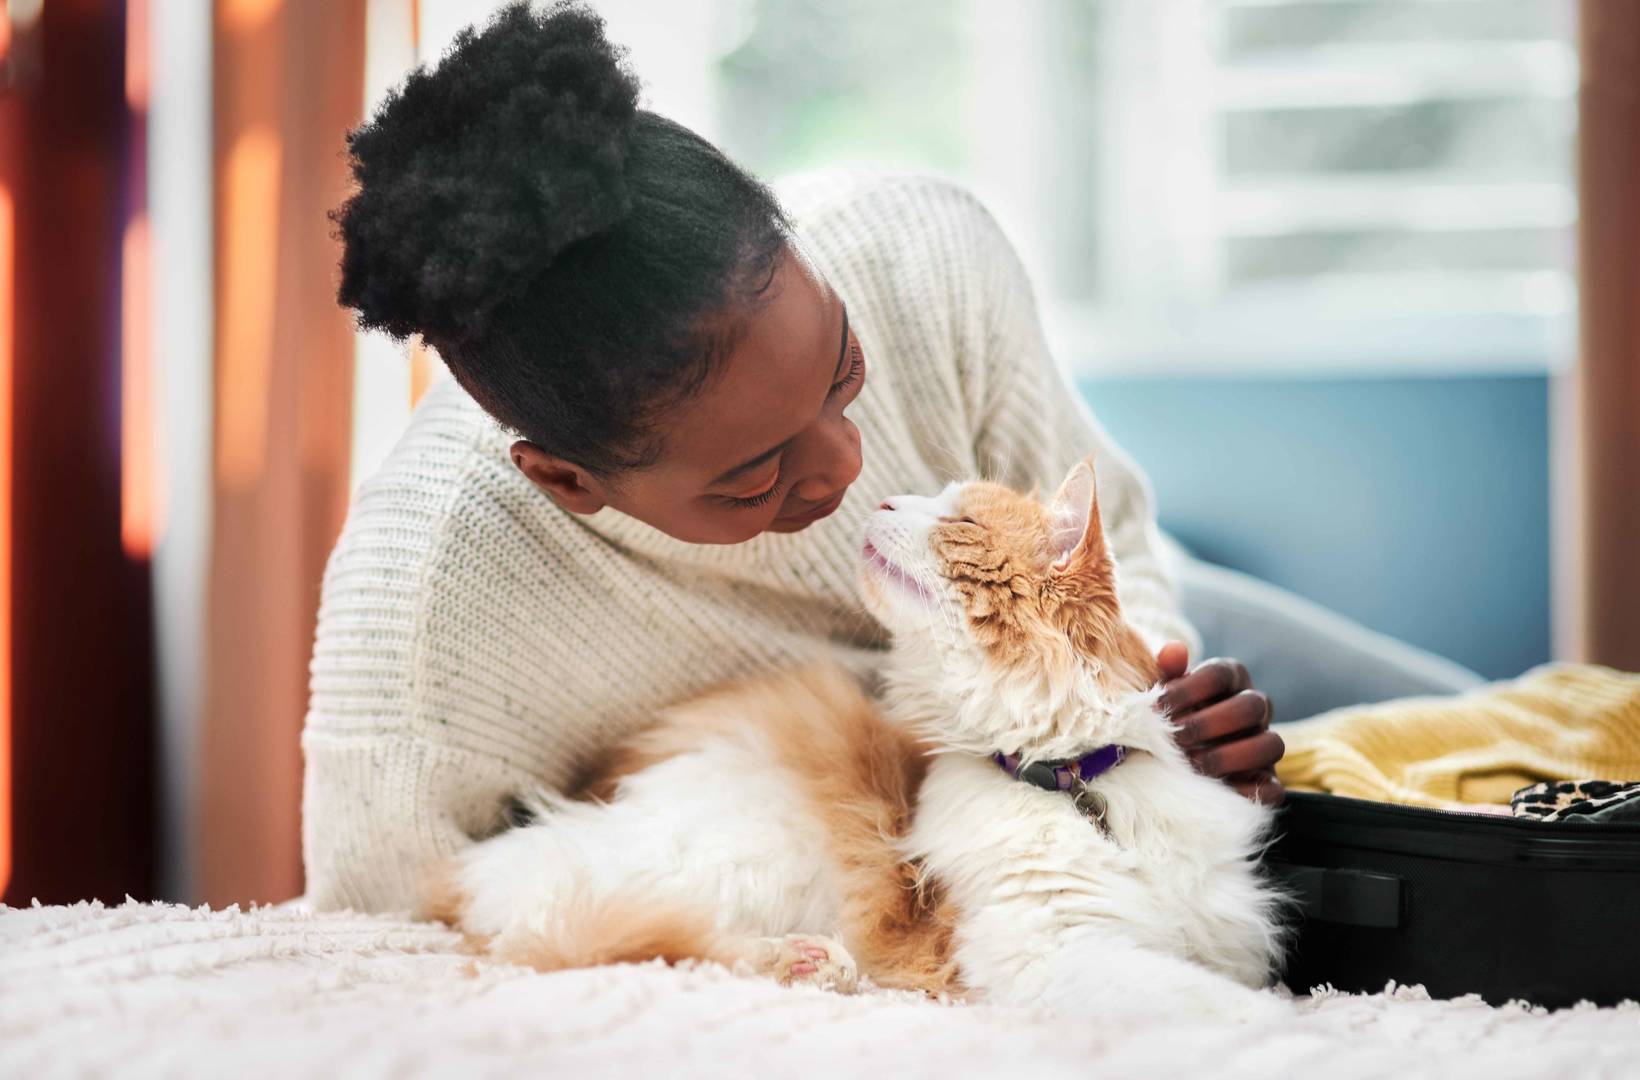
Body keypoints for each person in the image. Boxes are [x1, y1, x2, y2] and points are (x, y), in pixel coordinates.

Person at [308, 2, 1323, 913]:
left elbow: (1113, 549)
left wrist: (1139, 704)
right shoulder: (426, 616)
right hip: (900, 830)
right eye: (752, 477)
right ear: (568, 482)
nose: (845, 467)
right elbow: (391, 938)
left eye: (843, 369)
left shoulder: (923, 254)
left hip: (1114, 676)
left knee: (1473, 761)